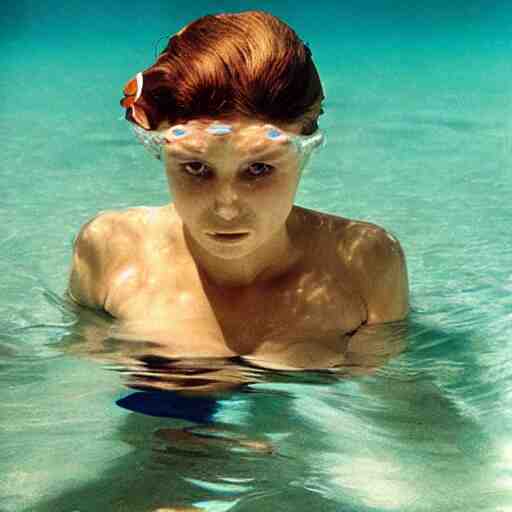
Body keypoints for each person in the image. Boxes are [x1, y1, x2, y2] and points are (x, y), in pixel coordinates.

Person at [68, 10, 409, 370]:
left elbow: (396, 404)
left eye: (259, 168)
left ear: (304, 154)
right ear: (160, 151)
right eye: (196, 167)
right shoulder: (110, 252)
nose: (227, 208)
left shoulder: (365, 264)